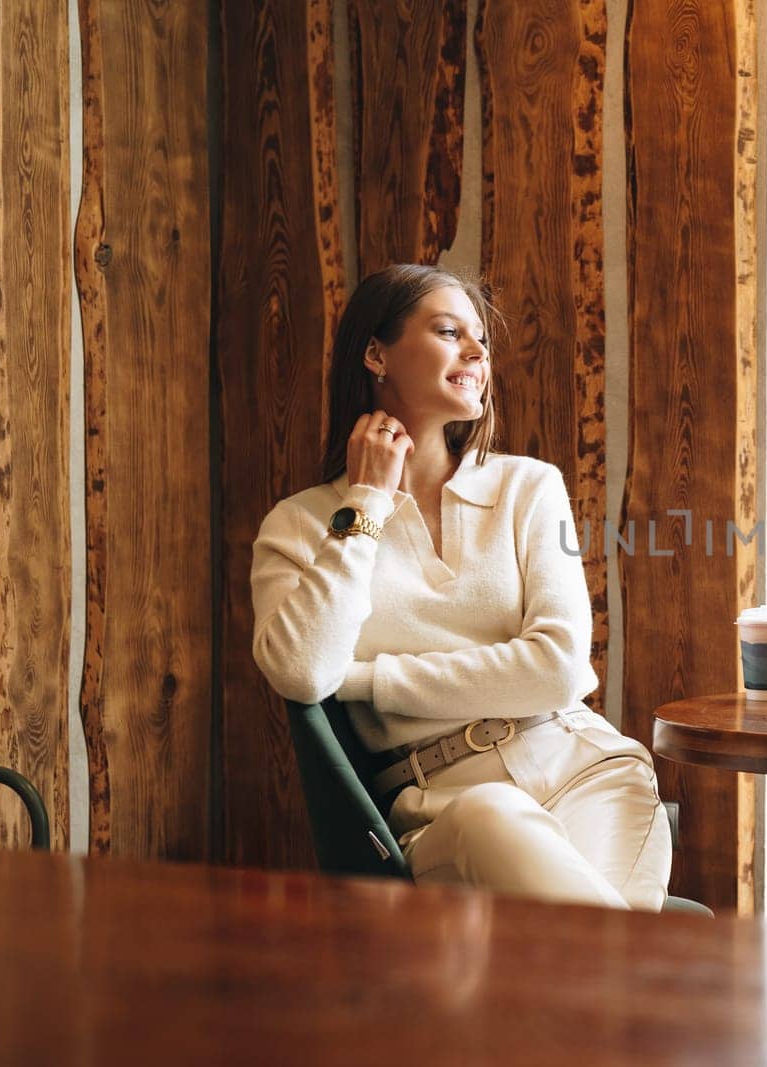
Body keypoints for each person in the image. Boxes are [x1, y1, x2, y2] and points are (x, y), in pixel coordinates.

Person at [251, 264, 670, 910]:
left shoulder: (528, 487)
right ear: (376, 353)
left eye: (482, 339)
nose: (478, 353)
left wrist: (366, 679)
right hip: (444, 805)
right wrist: (366, 502)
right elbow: (304, 672)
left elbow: (558, 667)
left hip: (589, 772)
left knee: (577, 982)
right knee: (503, 828)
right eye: (450, 332)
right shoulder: (302, 525)